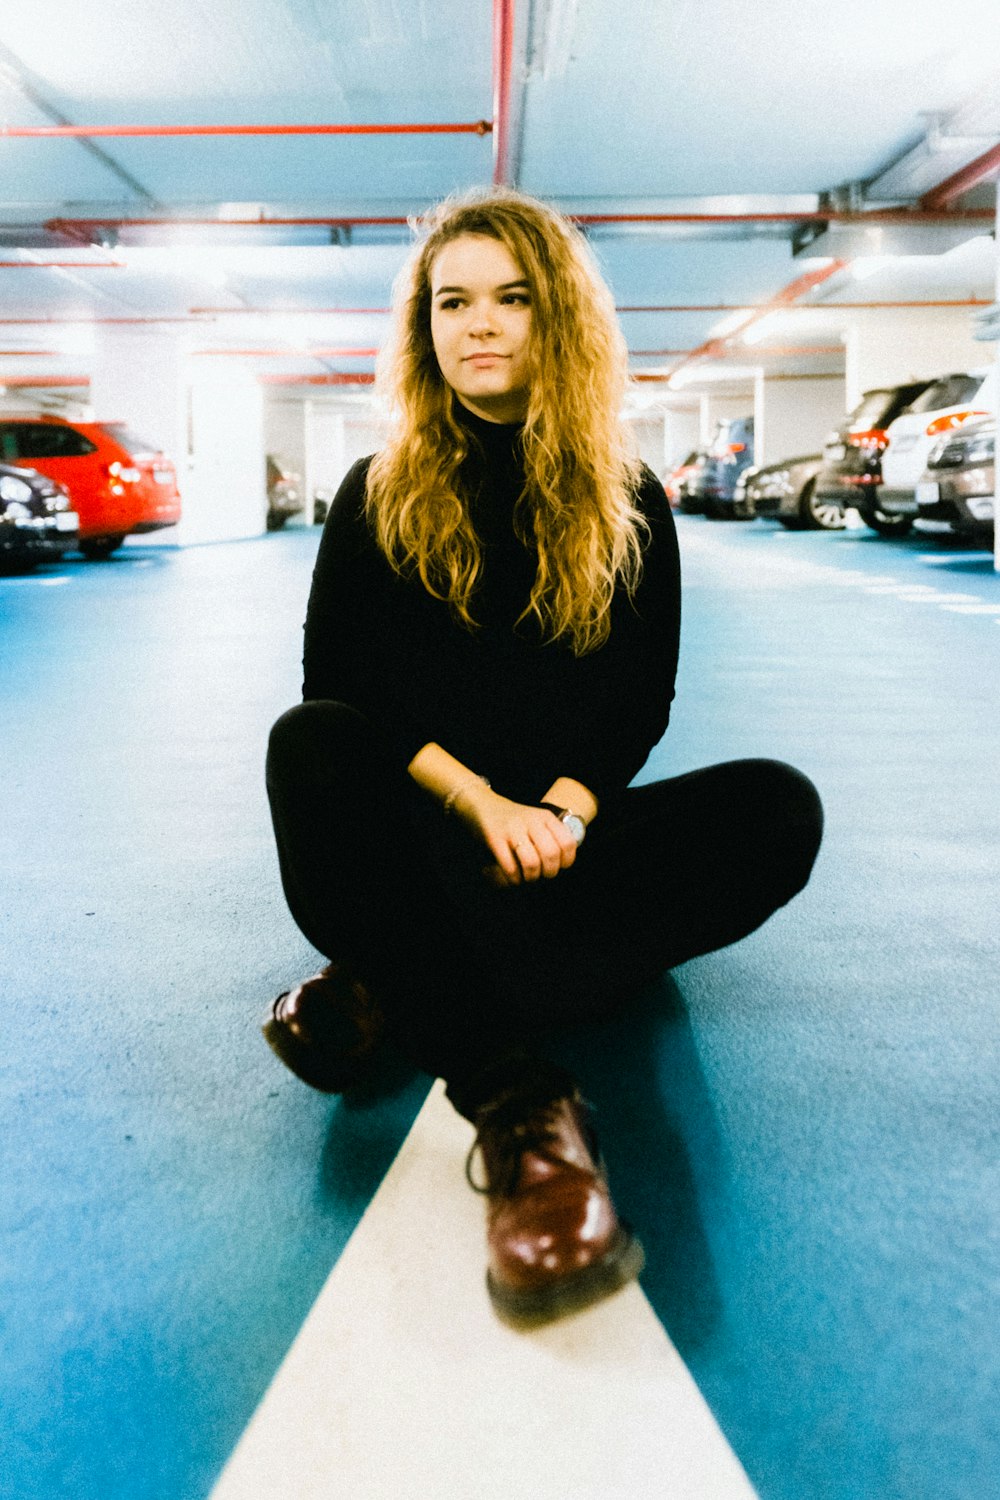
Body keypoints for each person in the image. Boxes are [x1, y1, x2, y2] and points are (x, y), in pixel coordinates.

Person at [264, 187, 823, 1329]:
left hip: (557, 853)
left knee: (776, 808)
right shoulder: (374, 495)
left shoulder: (631, 502)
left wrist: (564, 813)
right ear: (423, 325)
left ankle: (389, 985)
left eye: (510, 300)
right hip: (422, 834)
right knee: (310, 748)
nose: (478, 324)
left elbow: (635, 704)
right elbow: (340, 689)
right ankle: (525, 1114)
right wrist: (480, 805)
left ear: (555, 319)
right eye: (452, 301)